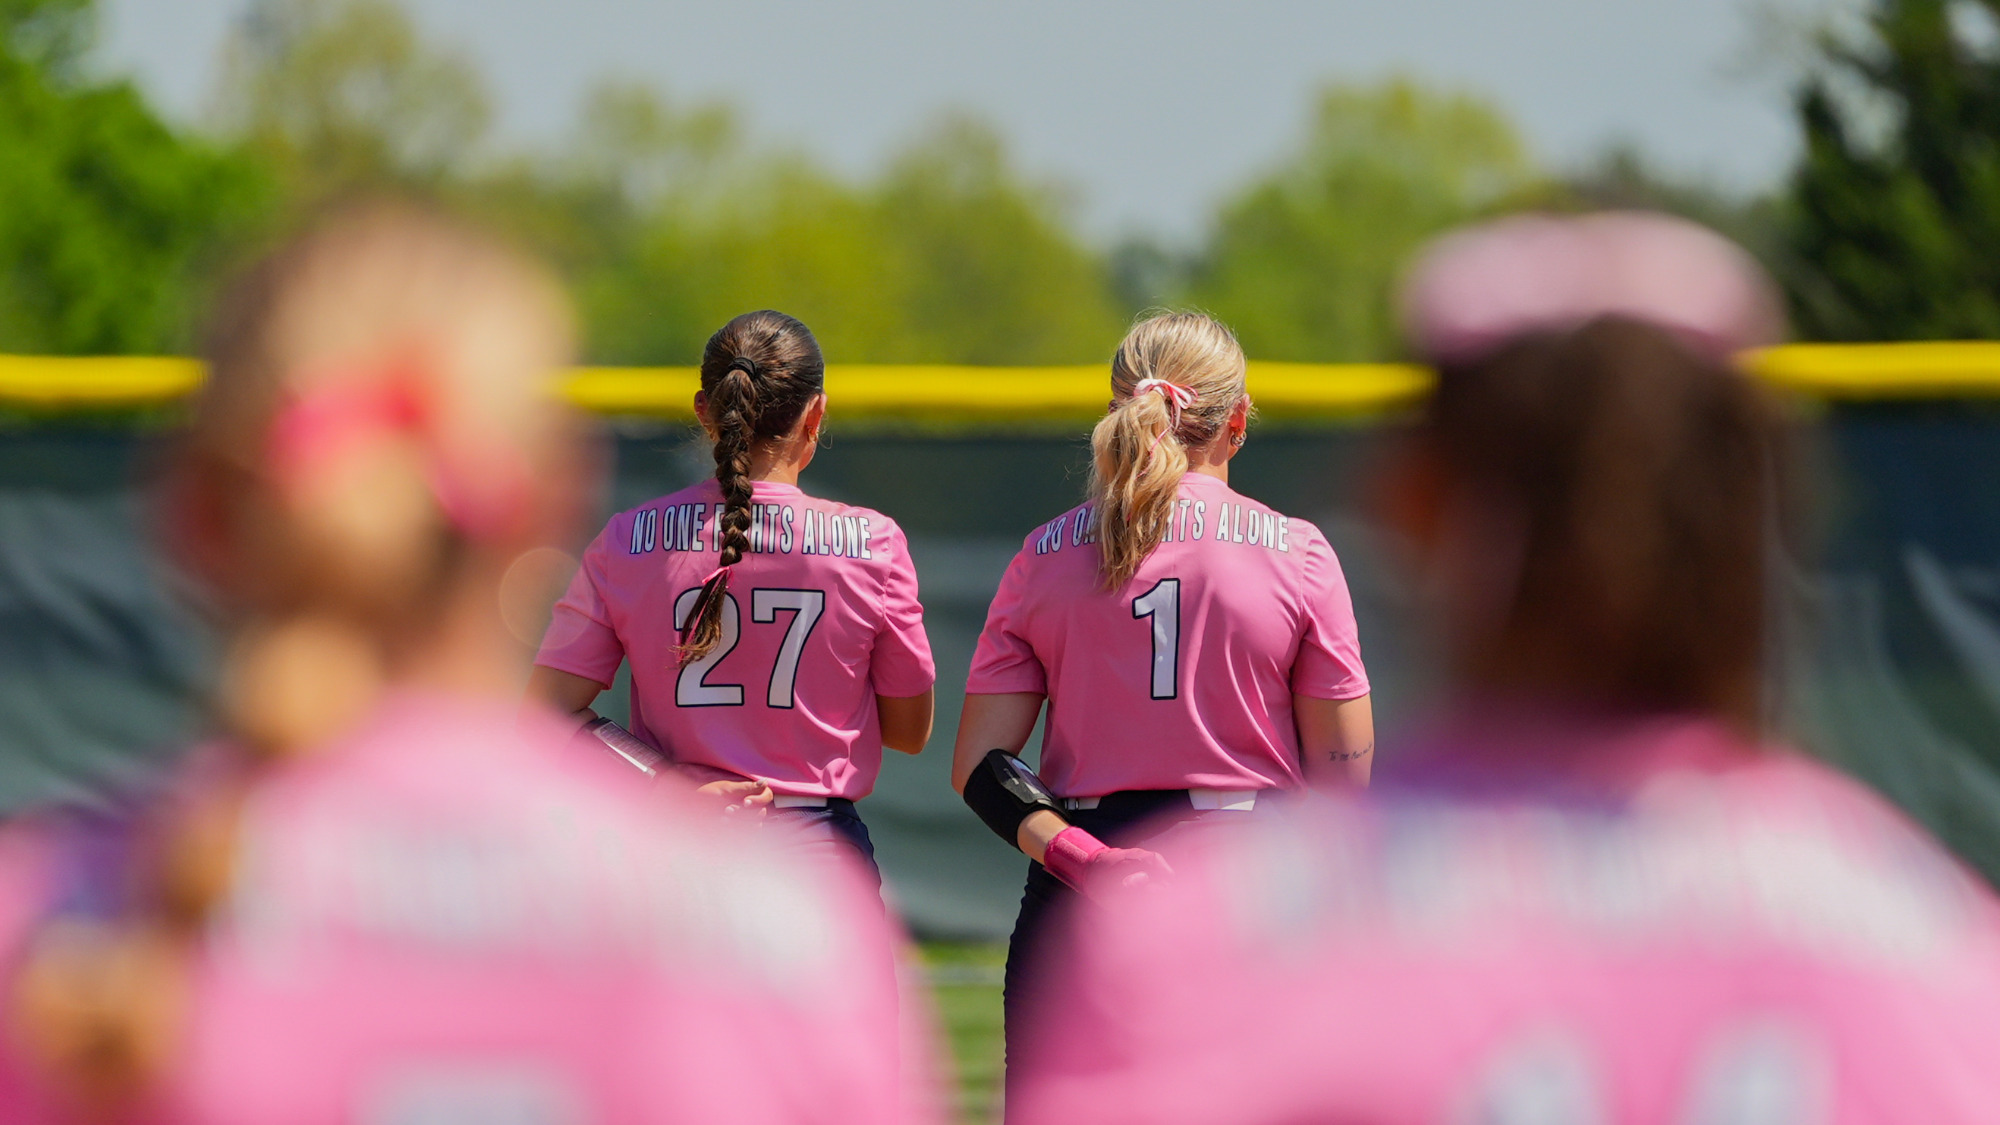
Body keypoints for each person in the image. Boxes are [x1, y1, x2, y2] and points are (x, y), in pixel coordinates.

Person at [1008, 213, 2000, 1124]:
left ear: (1411, 502)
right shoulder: (1923, 932)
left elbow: (982, 761)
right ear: (1774, 505)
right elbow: (1338, 764)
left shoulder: (1208, 945)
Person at [0, 204, 934, 1125]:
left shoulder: (67, 918)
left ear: (193, 514)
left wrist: (667, 773)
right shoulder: (790, 939)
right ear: (541, 499)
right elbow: (908, 724)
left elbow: (560, 708)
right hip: (800, 843)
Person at [951, 310, 1373, 1109]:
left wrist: (1089, 862)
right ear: (1236, 422)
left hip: (1077, 889)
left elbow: (980, 767)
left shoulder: (1042, 553)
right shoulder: (1300, 552)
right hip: (1250, 892)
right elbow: (1344, 780)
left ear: (1114, 414)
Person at [528, 311, 935, 884]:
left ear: (705, 410)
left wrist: (662, 779)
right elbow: (909, 733)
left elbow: (546, 710)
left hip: (678, 854)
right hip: (818, 863)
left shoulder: (625, 539)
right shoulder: (874, 542)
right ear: (815, 414)